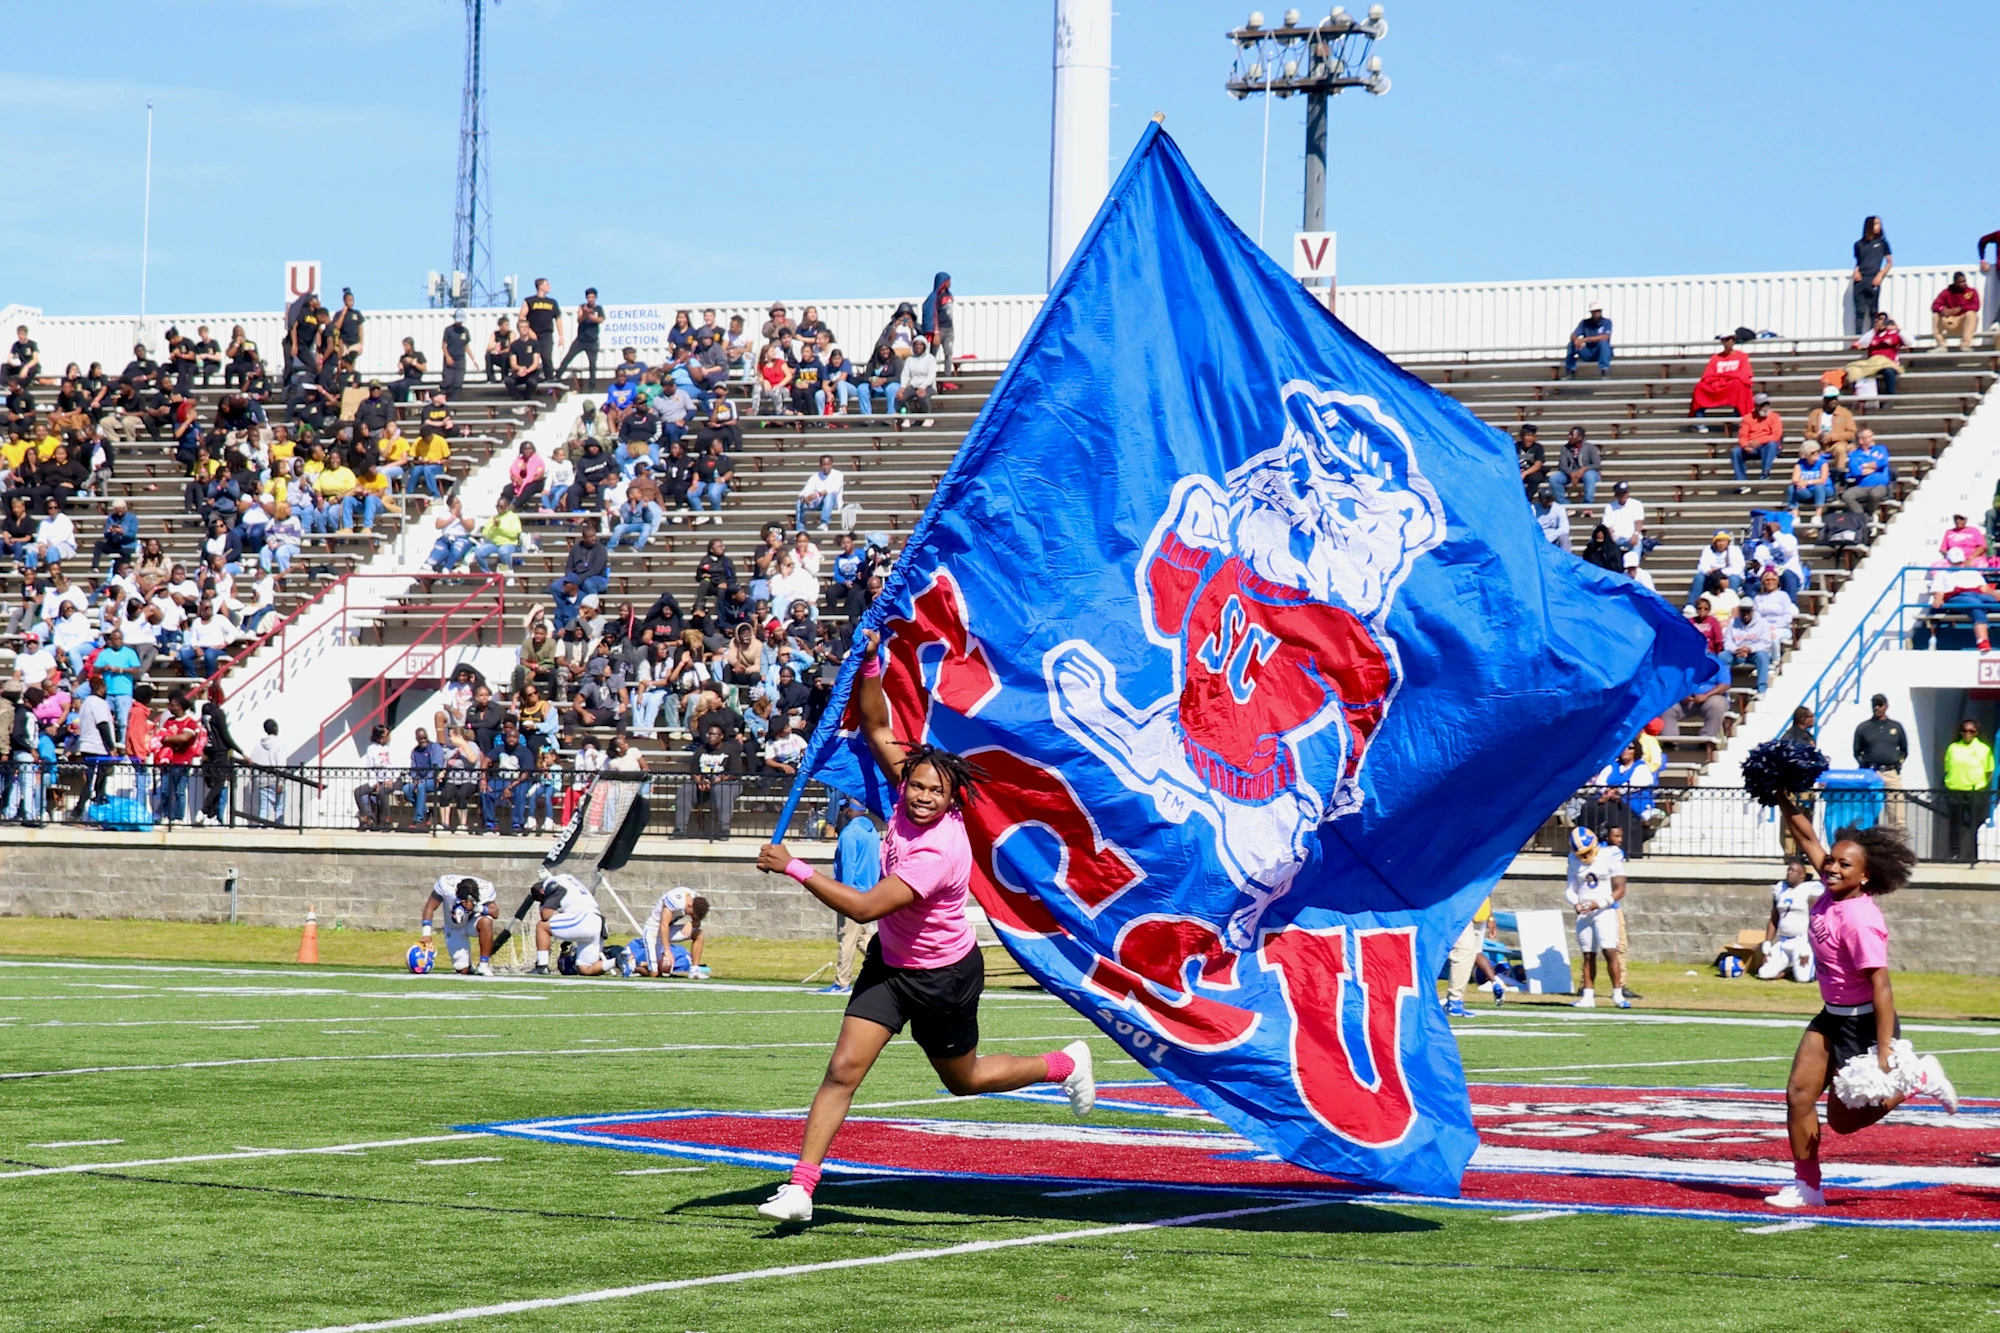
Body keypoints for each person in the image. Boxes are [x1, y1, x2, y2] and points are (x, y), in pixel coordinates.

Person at [750, 629, 1096, 1224]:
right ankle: (801, 1188)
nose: (922, 797)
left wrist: (796, 867)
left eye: (936, 791)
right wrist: (870, 664)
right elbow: (875, 722)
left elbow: (865, 908)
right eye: (916, 785)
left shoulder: (938, 852)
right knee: (842, 1071)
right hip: (890, 966)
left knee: (964, 1079)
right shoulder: (907, 790)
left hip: (943, 976)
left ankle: (1063, 1064)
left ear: (952, 798)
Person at [1764, 789, 1956, 1210]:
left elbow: (1881, 986)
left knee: (1843, 1121)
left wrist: (1885, 1049)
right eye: (1831, 861)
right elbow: (1807, 836)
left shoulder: (1860, 920)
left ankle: (1918, 1077)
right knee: (1798, 1094)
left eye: (1843, 864)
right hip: (1831, 1016)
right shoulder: (1833, 886)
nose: (1831, 867)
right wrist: (1781, 793)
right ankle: (1807, 1186)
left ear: (1864, 875)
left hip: (1864, 1022)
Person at [1564, 827, 1630, 1009]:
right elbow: (1570, 888)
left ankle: (1617, 994)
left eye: (1587, 852)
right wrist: (1576, 903)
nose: (1584, 857)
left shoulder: (1610, 854)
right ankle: (1588, 996)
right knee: (1587, 955)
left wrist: (1599, 904)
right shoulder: (1573, 859)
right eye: (1581, 853)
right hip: (1584, 913)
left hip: (1604, 911)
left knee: (1610, 952)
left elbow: (1620, 889)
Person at [526, 871, 611, 975]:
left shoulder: (552, 885)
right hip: (599, 922)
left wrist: (543, 905)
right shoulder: (566, 879)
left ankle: (542, 966)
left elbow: (546, 915)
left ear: (542, 891)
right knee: (585, 969)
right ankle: (617, 961)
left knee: (542, 926)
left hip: (583, 919)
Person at [1759, 858, 1822, 984]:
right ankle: (1789, 970)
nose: (1789, 873)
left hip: (1802, 940)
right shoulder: (1780, 889)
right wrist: (1767, 943)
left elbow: (1814, 919)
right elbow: (1774, 918)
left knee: (1803, 978)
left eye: (1793, 870)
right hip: (1783, 941)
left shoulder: (1810, 889)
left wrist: (1809, 945)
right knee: (1763, 974)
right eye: (1788, 870)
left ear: (1802, 875)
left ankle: (1813, 967)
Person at [1851, 694, 1908, 831]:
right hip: (1871, 773)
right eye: (1874, 705)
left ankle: (1897, 843)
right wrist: (1865, 765)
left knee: (1897, 815)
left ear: (1886, 706)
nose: (1877, 708)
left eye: (1880, 705)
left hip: (1890, 773)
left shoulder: (1896, 726)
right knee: (1866, 811)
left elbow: (1904, 749)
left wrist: (1897, 763)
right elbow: (1857, 751)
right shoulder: (1863, 727)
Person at [422, 874, 498, 976]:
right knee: (463, 970)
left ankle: (483, 965)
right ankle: (468, 965)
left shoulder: (486, 889)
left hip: (473, 922)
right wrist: (426, 934)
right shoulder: (446, 885)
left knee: (486, 921)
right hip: (454, 927)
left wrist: (478, 908)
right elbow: (430, 907)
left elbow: (495, 912)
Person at [1942, 717, 1994, 864]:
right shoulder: (1953, 748)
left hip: (1975, 791)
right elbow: (1947, 768)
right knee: (1955, 824)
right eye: (1965, 731)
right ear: (1961, 732)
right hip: (1955, 789)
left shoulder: (1984, 749)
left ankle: (1975, 855)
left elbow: (1989, 770)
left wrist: (1982, 785)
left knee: (1976, 824)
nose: (1968, 733)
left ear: (1976, 732)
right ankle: (1954, 853)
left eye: (1971, 731)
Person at [1927, 547, 2000, 652]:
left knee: (1990, 602)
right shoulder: (1942, 574)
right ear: (1949, 561)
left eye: (1960, 562)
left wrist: (1995, 594)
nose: (1958, 564)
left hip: (1976, 594)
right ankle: (1982, 641)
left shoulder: (1972, 572)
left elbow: (1984, 588)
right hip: (1957, 595)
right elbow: (1939, 591)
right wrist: (1938, 599)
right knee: (1975, 606)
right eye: (1955, 562)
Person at [641, 886, 710, 980]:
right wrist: (667, 950)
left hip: (669, 929)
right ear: (690, 905)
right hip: (654, 929)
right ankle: (633, 967)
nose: (690, 915)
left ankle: (694, 971)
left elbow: (698, 923)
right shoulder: (675, 900)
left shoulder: (696, 900)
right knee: (655, 973)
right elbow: (664, 925)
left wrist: (691, 923)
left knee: (698, 934)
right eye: (691, 914)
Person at [1689, 332, 1754, 424]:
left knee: (1740, 385)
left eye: (1730, 339)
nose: (1728, 342)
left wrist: (1725, 376)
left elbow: (1744, 375)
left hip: (1732, 385)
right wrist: (1727, 376)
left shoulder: (1742, 356)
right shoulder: (1716, 357)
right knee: (1700, 387)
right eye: (1725, 339)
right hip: (1718, 384)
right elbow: (1708, 375)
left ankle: (1738, 416)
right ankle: (1699, 420)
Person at [1844, 314, 1912, 396]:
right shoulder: (1872, 334)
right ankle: (1861, 396)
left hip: (1888, 363)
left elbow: (1910, 342)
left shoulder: (1894, 334)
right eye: (1879, 319)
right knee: (1855, 369)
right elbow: (1863, 343)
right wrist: (1874, 330)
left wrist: (1897, 328)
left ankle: (1890, 396)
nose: (1881, 322)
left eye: (1883, 320)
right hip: (1873, 364)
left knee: (1889, 371)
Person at [1731, 393, 1783, 492]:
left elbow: (1776, 436)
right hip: (1752, 447)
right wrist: (1745, 445)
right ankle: (1741, 483)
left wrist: (1759, 441)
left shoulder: (1774, 417)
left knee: (1772, 444)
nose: (1765, 407)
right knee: (1736, 451)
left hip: (1767, 447)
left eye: (1766, 404)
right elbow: (1742, 436)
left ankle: (1765, 473)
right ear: (1756, 406)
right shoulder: (1747, 418)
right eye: (1762, 405)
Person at [554, 287, 605, 387]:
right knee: (568, 357)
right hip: (581, 340)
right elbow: (579, 319)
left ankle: (592, 387)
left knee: (592, 365)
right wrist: (585, 314)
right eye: (589, 297)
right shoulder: (582, 307)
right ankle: (557, 377)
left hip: (593, 341)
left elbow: (600, 320)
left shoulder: (598, 308)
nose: (591, 299)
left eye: (593, 297)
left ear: (596, 298)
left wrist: (590, 315)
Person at [1801, 385, 1857, 475]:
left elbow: (1851, 433)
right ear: (1824, 399)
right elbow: (1807, 432)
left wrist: (1832, 437)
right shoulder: (1815, 414)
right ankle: (1806, 474)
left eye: (1835, 398)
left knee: (1840, 449)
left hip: (1837, 443)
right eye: (1830, 399)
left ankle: (1839, 475)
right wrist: (1817, 436)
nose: (1833, 401)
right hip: (1818, 444)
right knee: (1805, 448)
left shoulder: (1845, 413)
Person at [1851, 215, 1893, 334]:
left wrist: (1880, 275)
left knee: (1873, 311)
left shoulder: (1882, 243)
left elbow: (1889, 262)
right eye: (1876, 224)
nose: (1879, 226)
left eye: (1879, 224)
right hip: (1860, 280)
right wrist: (1856, 272)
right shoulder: (1859, 244)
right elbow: (1858, 262)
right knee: (1860, 311)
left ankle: (1872, 337)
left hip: (1873, 278)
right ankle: (1858, 337)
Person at [1723, 601, 1776, 692]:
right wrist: (1736, 650)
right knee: (1722, 656)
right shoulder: (1732, 622)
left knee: (1763, 656)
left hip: (1754, 654)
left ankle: (1762, 689)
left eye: (1748, 611)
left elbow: (1766, 643)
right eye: (1743, 611)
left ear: (1753, 611)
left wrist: (1750, 649)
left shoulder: (1762, 623)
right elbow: (1727, 642)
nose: (1745, 614)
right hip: (1737, 654)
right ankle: (1723, 688)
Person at [1839, 426, 1891, 516]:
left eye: (1872, 436)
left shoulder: (1880, 449)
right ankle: (1861, 516)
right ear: (1861, 441)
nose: (1872, 438)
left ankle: (1870, 513)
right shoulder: (1854, 455)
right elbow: (1855, 471)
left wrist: (1865, 465)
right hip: (1862, 486)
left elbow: (1883, 462)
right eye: (1869, 437)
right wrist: (1875, 467)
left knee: (1875, 494)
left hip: (1880, 485)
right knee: (1847, 495)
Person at [1689, 530, 1744, 607]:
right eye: (1719, 541)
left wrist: (1720, 572)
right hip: (1711, 576)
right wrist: (1709, 571)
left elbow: (1737, 569)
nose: (1721, 543)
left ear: (1728, 542)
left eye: (1724, 541)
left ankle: (1731, 606)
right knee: (1699, 577)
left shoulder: (1735, 550)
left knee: (1734, 579)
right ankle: (1692, 605)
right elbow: (1701, 567)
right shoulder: (1708, 550)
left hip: (1727, 577)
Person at [1548, 426, 1601, 507]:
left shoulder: (1590, 447)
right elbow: (1562, 465)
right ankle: (1566, 505)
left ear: (1580, 438)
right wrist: (1571, 473)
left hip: (1587, 473)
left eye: (1572, 435)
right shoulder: (1565, 448)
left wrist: (1584, 469)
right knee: (1554, 478)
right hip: (1570, 474)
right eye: (1569, 434)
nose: (1569, 436)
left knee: (1589, 476)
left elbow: (1597, 464)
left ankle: (1587, 505)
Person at [1932, 271, 1981, 352]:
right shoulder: (1946, 292)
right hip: (1950, 321)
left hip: (1963, 322)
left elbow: (1976, 306)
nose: (1964, 284)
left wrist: (1960, 309)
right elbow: (1935, 305)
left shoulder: (1971, 291)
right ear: (1955, 283)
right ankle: (1941, 345)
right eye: (1961, 282)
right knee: (1936, 315)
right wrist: (1942, 310)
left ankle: (1965, 345)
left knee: (1971, 314)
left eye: (1964, 281)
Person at [1563, 302, 1613, 378]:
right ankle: (1570, 370)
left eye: (1598, 310)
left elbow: (1605, 337)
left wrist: (1584, 340)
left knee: (1603, 343)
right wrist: (1576, 340)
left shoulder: (1607, 322)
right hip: (1587, 352)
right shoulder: (1584, 323)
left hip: (1600, 352)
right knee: (1572, 344)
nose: (1597, 313)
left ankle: (1604, 370)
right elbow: (1573, 335)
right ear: (1591, 312)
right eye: (1594, 311)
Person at [796, 455, 844, 533]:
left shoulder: (838, 474)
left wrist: (818, 494)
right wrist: (804, 497)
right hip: (818, 503)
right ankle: (800, 529)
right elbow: (806, 490)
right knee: (799, 502)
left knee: (829, 495)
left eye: (828, 464)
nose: (826, 467)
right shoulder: (815, 477)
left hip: (832, 503)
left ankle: (824, 523)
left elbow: (834, 488)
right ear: (820, 465)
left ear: (832, 464)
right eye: (824, 465)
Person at [1601, 480, 1644, 553]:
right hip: (1616, 539)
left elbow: (1639, 522)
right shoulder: (1610, 507)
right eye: (1621, 493)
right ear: (1616, 494)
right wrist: (1611, 539)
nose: (1624, 495)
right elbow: (1608, 525)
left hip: (1631, 538)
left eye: (1625, 492)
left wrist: (1635, 535)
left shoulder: (1636, 504)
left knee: (1636, 546)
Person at [1532, 484, 1569, 553]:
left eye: (1551, 498)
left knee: (1564, 537)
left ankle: (1566, 557)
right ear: (1540, 499)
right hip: (1538, 537)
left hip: (1554, 536)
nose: (1549, 501)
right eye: (1546, 499)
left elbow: (1564, 528)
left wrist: (1549, 538)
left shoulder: (1559, 508)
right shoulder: (1533, 509)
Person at [1514, 424, 1545, 498]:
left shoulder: (1538, 447)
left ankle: (1527, 499)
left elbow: (1538, 464)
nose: (1530, 438)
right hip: (1518, 471)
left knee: (1534, 478)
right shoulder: (1515, 446)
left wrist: (1525, 473)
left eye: (1532, 436)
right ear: (1522, 436)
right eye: (1528, 435)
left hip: (1531, 472)